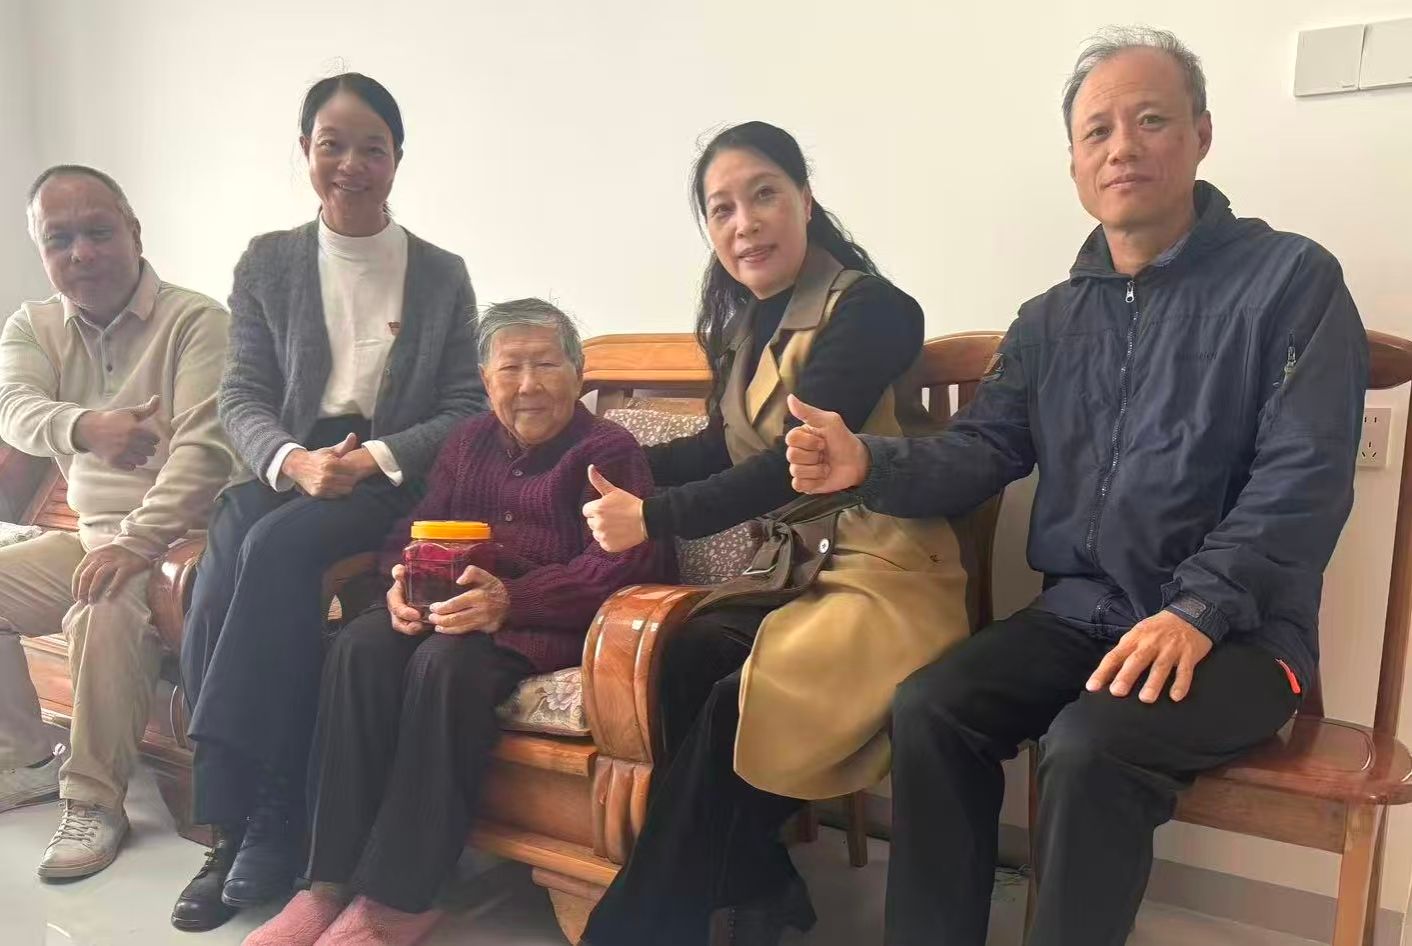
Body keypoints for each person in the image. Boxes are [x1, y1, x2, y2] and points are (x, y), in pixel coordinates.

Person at [784, 28, 1367, 946]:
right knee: (930, 708)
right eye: (1097, 131)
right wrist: (870, 462)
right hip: (1081, 614)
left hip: (1243, 633)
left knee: (1090, 747)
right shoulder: (1050, 319)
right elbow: (984, 449)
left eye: (1150, 120)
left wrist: (1200, 608)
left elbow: (1306, 475)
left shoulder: (1293, 279)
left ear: (1202, 135)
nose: (1122, 147)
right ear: (1074, 164)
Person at [581, 122, 976, 946]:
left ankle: (637, 928)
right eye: (721, 209)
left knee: (737, 700)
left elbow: (789, 465)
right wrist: (604, 460)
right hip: (794, 571)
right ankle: (760, 889)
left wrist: (651, 517)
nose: (744, 223)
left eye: (763, 194)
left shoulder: (872, 309)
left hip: (885, 570)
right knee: (685, 650)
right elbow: (722, 447)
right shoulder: (743, 326)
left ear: (806, 199)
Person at [242, 298, 672, 946]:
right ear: (485, 380)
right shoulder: (467, 442)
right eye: (510, 368)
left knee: (447, 662)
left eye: (546, 365)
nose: (528, 385)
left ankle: (399, 898)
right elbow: (410, 532)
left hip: (547, 623)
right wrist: (397, 582)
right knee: (359, 644)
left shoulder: (607, 450)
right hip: (449, 607)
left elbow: (627, 563)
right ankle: (326, 883)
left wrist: (513, 600)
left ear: (577, 373)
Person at [172, 73, 485, 932]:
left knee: (271, 551)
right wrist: (293, 461)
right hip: (290, 461)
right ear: (305, 151)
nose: (351, 164)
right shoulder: (267, 260)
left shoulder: (442, 274)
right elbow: (241, 392)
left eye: (371, 148)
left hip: (385, 476)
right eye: (331, 145)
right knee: (222, 559)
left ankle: (257, 816)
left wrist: (372, 457)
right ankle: (241, 824)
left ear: (398, 159)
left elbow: (464, 404)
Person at [0, 165, 234, 879]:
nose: (81, 253)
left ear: (133, 231)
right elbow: (12, 408)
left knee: (101, 602)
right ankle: (27, 761)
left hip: (185, 542)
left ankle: (95, 801)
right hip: (91, 535)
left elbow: (206, 454)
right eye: (59, 239)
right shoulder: (34, 324)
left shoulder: (198, 321)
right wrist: (87, 427)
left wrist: (138, 542)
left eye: (98, 232)